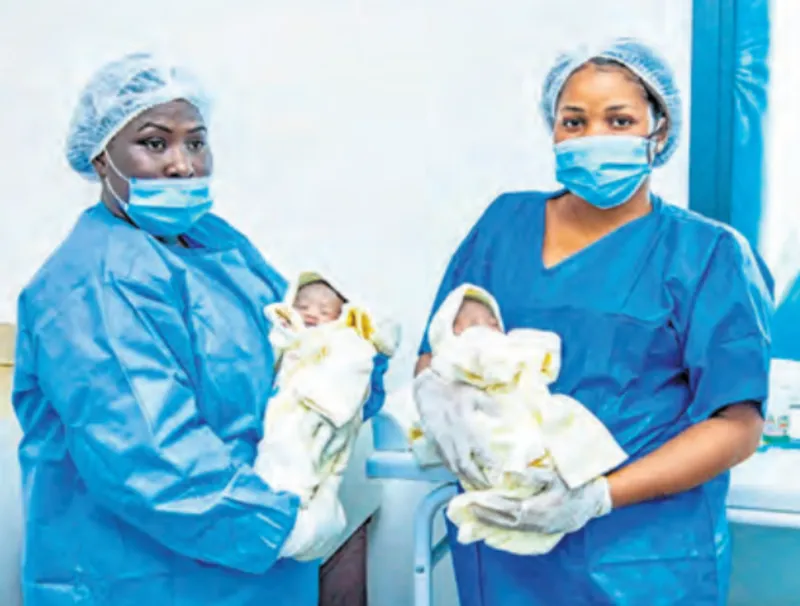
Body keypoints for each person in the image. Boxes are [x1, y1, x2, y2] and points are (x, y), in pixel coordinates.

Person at [11, 53, 388, 606]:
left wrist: (343, 348)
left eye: (196, 142)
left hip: (257, 572)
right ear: (100, 157)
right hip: (141, 581)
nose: (183, 165)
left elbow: (300, 365)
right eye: (155, 143)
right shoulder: (88, 285)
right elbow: (149, 459)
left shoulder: (216, 244)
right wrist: (282, 525)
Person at [413, 38, 772, 605]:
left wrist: (598, 496)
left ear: (658, 132)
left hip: (642, 555)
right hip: (506, 541)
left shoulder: (706, 254)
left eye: (619, 119)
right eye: (574, 121)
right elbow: (439, 357)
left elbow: (736, 421)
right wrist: (471, 445)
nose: (593, 137)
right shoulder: (504, 223)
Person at [412, 283, 627, 556]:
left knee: (557, 423)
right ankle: (518, 481)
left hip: (632, 527)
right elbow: (436, 355)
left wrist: (597, 498)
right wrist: (431, 387)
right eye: (475, 323)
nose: (487, 328)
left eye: (493, 323)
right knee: (503, 441)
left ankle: (543, 470)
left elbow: (541, 355)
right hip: (491, 414)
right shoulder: (484, 250)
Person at [257, 271, 399, 542]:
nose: (312, 314)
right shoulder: (286, 336)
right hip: (288, 411)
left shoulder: (346, 344)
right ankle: (285, 501)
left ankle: (300, 510)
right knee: (284, 451)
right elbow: (273, 360)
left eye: (325, 311)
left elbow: (360, 384)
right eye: (302, 307)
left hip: (330, 419)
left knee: (322, 468)